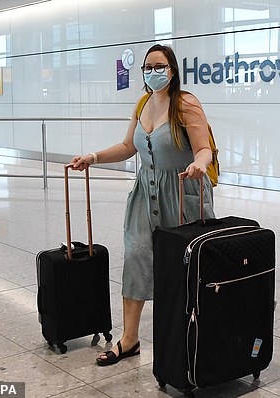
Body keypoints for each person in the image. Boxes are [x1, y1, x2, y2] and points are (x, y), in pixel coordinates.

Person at [70, 44, 215, 366]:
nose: (152, 72)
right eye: (147, 67)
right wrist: (93, 157)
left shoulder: (186, 104)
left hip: (182, 191)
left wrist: (200, 164)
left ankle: (194, 331)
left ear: (172, 70)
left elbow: (204, 148)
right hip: (144, 192)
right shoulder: (143, 103)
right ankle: (130, 339)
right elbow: (126, 147)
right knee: (136, 257)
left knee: (186, 265)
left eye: (159, 66)